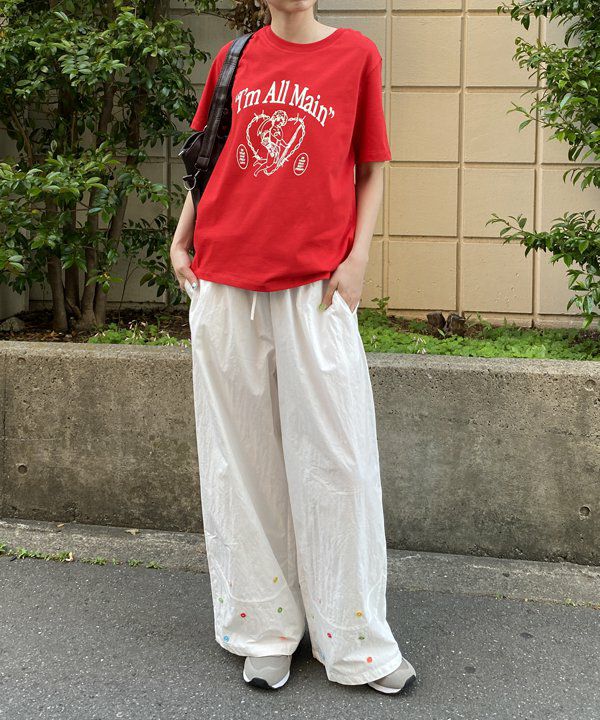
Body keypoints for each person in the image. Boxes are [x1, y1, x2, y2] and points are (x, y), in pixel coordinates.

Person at [169, 0, 417, 695]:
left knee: (337, 460)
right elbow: (207, 160)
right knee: (241, 463)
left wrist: (358, 258)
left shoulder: (355, 55)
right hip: (225, 280)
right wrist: (182, 236)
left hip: (316, 289)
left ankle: (356, 642)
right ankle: (265, 629)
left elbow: (370, 167)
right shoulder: (234, 58)